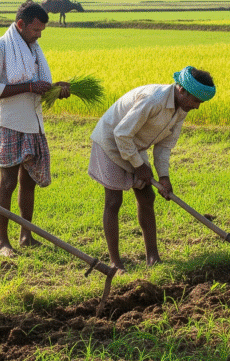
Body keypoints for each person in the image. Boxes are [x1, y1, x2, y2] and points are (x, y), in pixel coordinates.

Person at [88, 66, 215, 273]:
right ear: (182, 90)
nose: (197, 107)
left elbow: (165, 145)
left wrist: (164, 177)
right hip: (110, 143)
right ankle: (115, 263)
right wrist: (139, 167)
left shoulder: (181, 109)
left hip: (134, 146)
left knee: (147, 198)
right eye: (196, 101)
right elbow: (121, 134)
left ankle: (153, 257)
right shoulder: (154, 100)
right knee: (113, 201)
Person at [0, 0, 71, 257]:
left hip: (33, 122)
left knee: (29, 181)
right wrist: (29, 87)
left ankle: (26, 236)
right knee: (8, 181)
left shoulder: (34, 48)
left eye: (42, 31)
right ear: (20, 24)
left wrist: (57, 88)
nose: (39, 35)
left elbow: (38, 83)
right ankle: (2, 242)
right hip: (9, 122)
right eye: (35, 30)